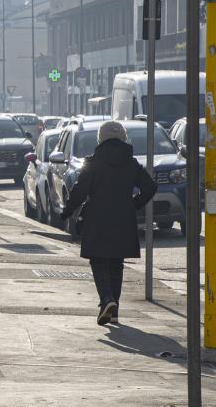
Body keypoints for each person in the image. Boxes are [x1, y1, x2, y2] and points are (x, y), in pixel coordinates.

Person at [60, 120, 157, 326]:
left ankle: (107, 300)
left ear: (100, 139)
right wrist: (133, 204)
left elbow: (79, 192)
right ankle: (114, 310)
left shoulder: (93, 163)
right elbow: (150, 187)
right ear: (123, 138)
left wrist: (67, 211)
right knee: (116, 263)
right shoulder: (132, 164)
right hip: (124, 218)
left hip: (97, 218)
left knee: (98, 260)